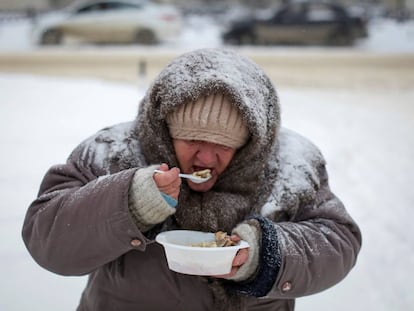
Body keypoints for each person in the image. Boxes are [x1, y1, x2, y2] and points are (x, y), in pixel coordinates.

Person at [22, 48, 361, 311]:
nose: (205, 159)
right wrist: (128, 204)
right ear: (165, 132)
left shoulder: (291, 162)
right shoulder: (112, 152)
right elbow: (47, 239)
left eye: (224, 146)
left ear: (251, 144)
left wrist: (264, 255)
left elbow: (336, 240)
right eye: (192, 140)